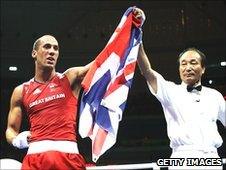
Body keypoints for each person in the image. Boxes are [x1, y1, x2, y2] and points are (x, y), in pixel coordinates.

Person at [137, 24, 225, 169]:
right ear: (179, 69)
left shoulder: (215, 96)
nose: (188, 67)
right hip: (183, 158)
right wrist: (137, 39)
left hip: (211, 158)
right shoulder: (171, 91)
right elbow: (147, 71)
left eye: (193, 63)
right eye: (183, 64)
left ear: (202, 69)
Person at [5, 35, 92, 170]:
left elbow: (102, 62)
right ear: (34, 53)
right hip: (35, 159)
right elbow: (11, 130)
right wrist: (16, 140)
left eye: (55, 49)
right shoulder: (21, 91)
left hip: (68, 157)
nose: (52, 51)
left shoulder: (70, 78)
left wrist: (127, 29)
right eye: (47, 47)